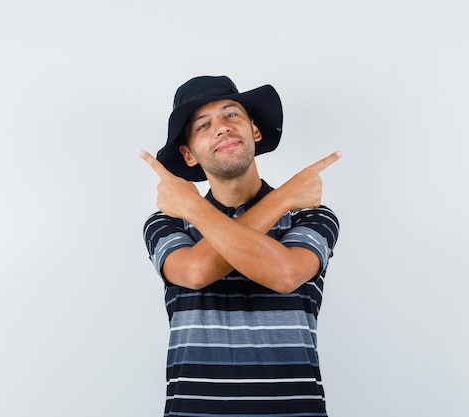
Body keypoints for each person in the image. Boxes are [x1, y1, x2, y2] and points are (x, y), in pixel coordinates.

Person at [139, 75, 341, 417]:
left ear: (255, 132)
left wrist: (193, 205)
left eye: (231, 115)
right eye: (203, 124)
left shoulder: (309, 217)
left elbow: (285, 273)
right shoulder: (169, 222)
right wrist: (285, 196)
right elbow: (197, 270)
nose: (221, 128)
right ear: (188, 155)